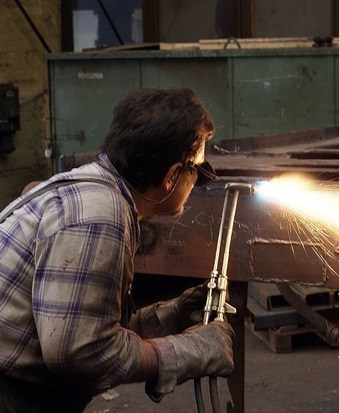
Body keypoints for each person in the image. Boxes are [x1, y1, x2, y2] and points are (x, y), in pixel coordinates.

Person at [0, 88, 234, 412]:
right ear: (172, 176)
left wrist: (169, 318)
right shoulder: (100, 216)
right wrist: (182, 353)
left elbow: (84, 323)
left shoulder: (95, 188)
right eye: (198, 169)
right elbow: (79, 352)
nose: (197, 180)